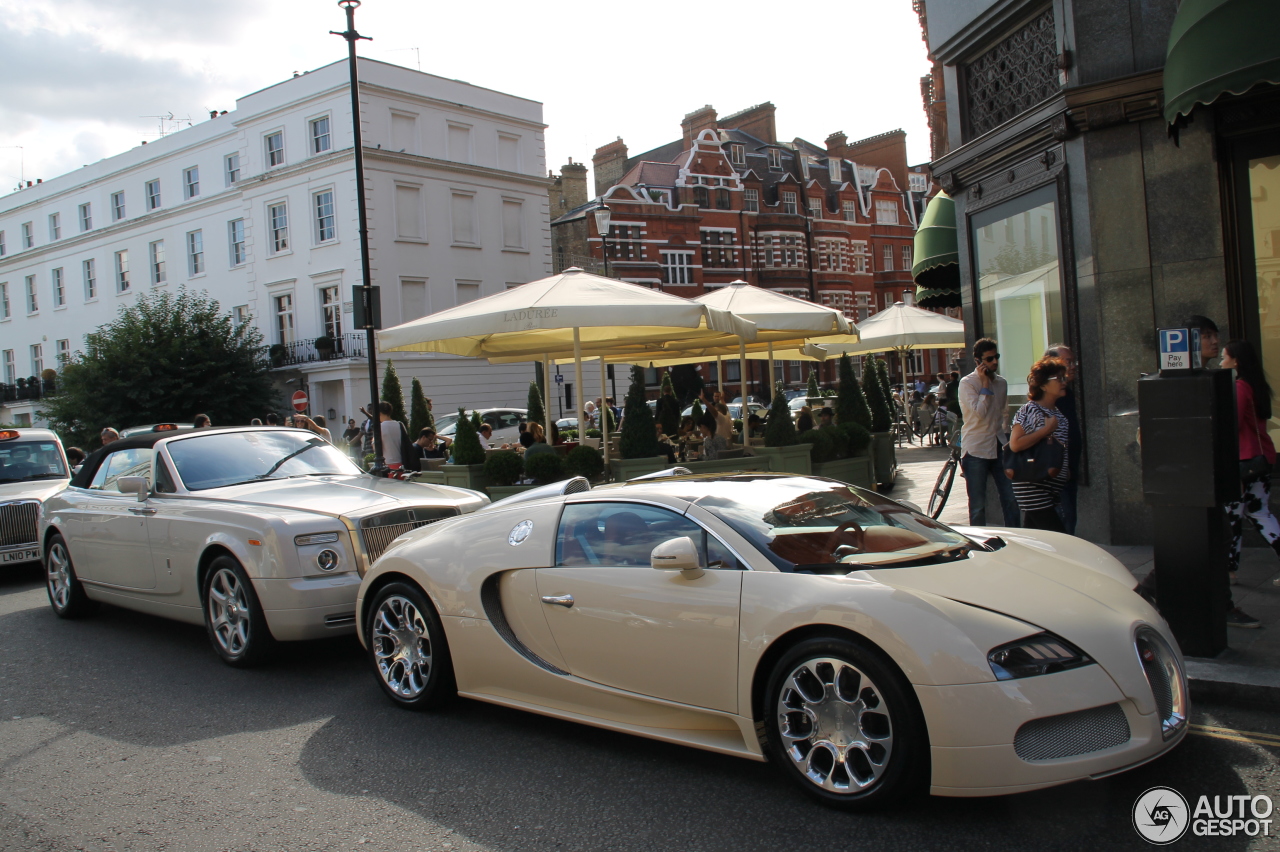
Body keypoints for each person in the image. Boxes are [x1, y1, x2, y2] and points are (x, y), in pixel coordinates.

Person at [1222, 340, 1273, 628]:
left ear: (1236, 361)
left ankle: (1230, 569)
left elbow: (1232, 422)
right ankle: (1230, 569)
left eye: (1224, 357)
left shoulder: (1241, 387)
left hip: (1245, 460)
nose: (1221, 360)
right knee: (1260, 512)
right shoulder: (1257, 384)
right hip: (1262, 458)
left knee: (1234, 514)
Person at [959, 338, 1020, 527]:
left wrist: (1006, 437)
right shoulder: (967, 384)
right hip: (976, 448)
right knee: (977, 505)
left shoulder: (1001, 383)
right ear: (978, 361)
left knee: (1010, 498)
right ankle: (978, 545)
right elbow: (980, 413)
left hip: (999, 445)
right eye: (989, 359)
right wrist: (985, 385)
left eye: (997, 357)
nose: (994, 362)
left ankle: (1017, 539)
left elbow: (1003, 412)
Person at [1008, 357, 1071, 532]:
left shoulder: (1056, 413)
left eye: (1064, 378)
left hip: (1048, 488)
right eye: (1058, 379)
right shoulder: (1030, 410)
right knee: (1059, 539)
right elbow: (1015, 444)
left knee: (1036, 541)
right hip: (1033, 489)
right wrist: (1045, 430)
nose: (1064, 382)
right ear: (1043, 385)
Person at [1044, 345, 1082, 534]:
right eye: (1068, 362)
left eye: (1074, 361)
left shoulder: (1066, 394)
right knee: (1063, 521)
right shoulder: (1046, 399)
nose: (1074, 366)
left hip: (1069, 468)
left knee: (1069, 519)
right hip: (1056, 471)